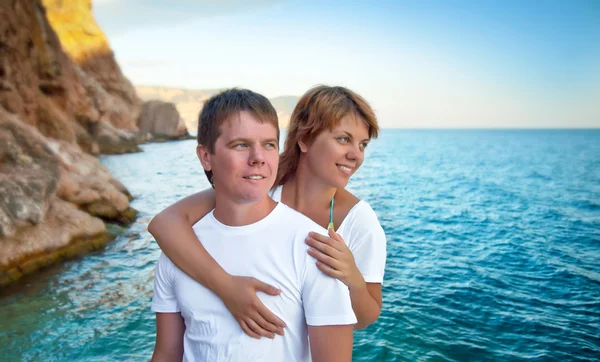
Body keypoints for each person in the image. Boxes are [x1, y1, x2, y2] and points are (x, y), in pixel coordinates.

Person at [149, 85, 386, 339]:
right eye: (343, 139)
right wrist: (226, 288)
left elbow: (365, 319)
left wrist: (352, 276)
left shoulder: (360, 220)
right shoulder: (261, 185)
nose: (356, 155)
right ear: (304, 139)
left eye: (362, 144)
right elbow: (164, 223)